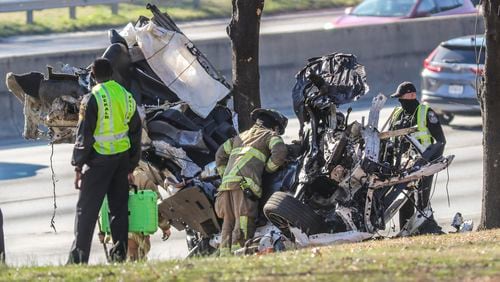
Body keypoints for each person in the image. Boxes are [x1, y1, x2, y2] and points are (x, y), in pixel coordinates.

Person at [68, 58, 141, 264]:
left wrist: (78, 165)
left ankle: (79, 259)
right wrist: (131, 165)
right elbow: (135, 131)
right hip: (121, 161)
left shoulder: (93, 98)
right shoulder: (126, 96)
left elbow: (84, 135)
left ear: (92, 74)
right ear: (112, 73)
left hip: (99, 162)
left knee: (87, 211)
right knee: (119, 210)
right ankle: (119, 256)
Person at [214, 108, 288, 255]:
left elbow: (219, 154)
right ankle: (240, 255)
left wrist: (225, 176)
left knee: (228, 222)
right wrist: (268, 169)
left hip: (226, 186)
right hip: (244, 185)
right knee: (243, 222)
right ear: (275, 127)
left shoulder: (239, 137)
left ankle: (225, 256)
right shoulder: (269, 135)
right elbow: (280, 152)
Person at [388, 81, 446, 234]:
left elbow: (440, 141)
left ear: (413, 95)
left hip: (423, 165)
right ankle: (406, 232)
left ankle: (426, 229)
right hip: (401, 167)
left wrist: (428, 161)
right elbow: (389, 140)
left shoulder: (426, 112)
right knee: (404, 200)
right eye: (398, 98)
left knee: (421, 199)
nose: (400, 101)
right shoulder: (396, 113)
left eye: (402, 97)